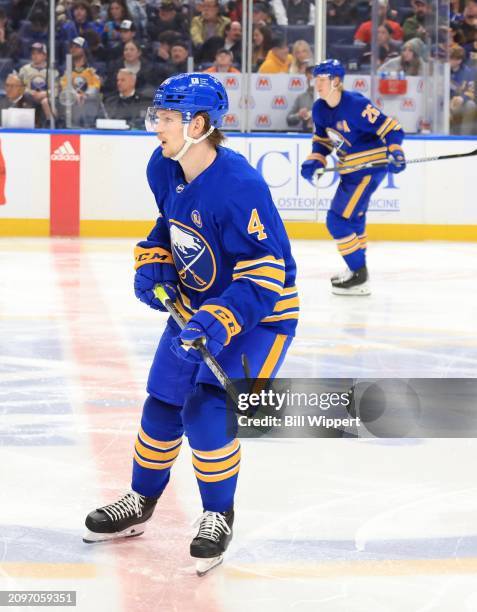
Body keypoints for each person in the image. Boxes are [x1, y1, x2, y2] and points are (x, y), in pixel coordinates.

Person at [83, 72, 298, 576]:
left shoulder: (240, 186)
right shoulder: (163, 165)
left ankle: (218, 516)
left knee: (206, 411)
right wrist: (154, 260)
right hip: (196, 309)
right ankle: (140, 502)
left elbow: (267, 273)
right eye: (156, 114)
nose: (154, 124)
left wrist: (218, 318)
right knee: (162, 405)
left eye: (165, 117)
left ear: (198, 124)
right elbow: (169, 223)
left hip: (260, 316)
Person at [301, 59, 405, 295]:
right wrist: (315, 160)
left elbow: (391, 129)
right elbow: (323, 141)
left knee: (337, 221)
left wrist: (396, 151)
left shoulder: (356, 105)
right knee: (354, 219)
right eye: (315, 80)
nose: (316, 85)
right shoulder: (319, 109)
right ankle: (357, 270)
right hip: (350, 171)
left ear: (336, 81)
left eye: (321, 80)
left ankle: (358, 274)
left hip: (369, 170)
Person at [286, 64, 314, 131]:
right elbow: (289, 120)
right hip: (307, 135)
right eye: (309, 79)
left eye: (313, 79)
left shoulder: (330, 97)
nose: (311, 81)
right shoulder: (301, 97)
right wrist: (299, 115)